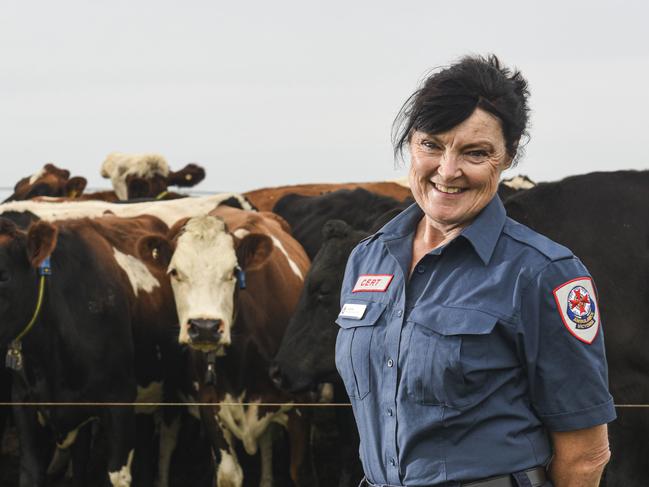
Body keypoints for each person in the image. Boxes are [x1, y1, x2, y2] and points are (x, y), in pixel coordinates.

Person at [334, 55, 616, 487]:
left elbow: (585, 455)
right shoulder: (367, 260)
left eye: (475, 152)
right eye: (432, 145)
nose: (448, 171)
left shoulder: (545, 273)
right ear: (411, 143)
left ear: (507, 158)